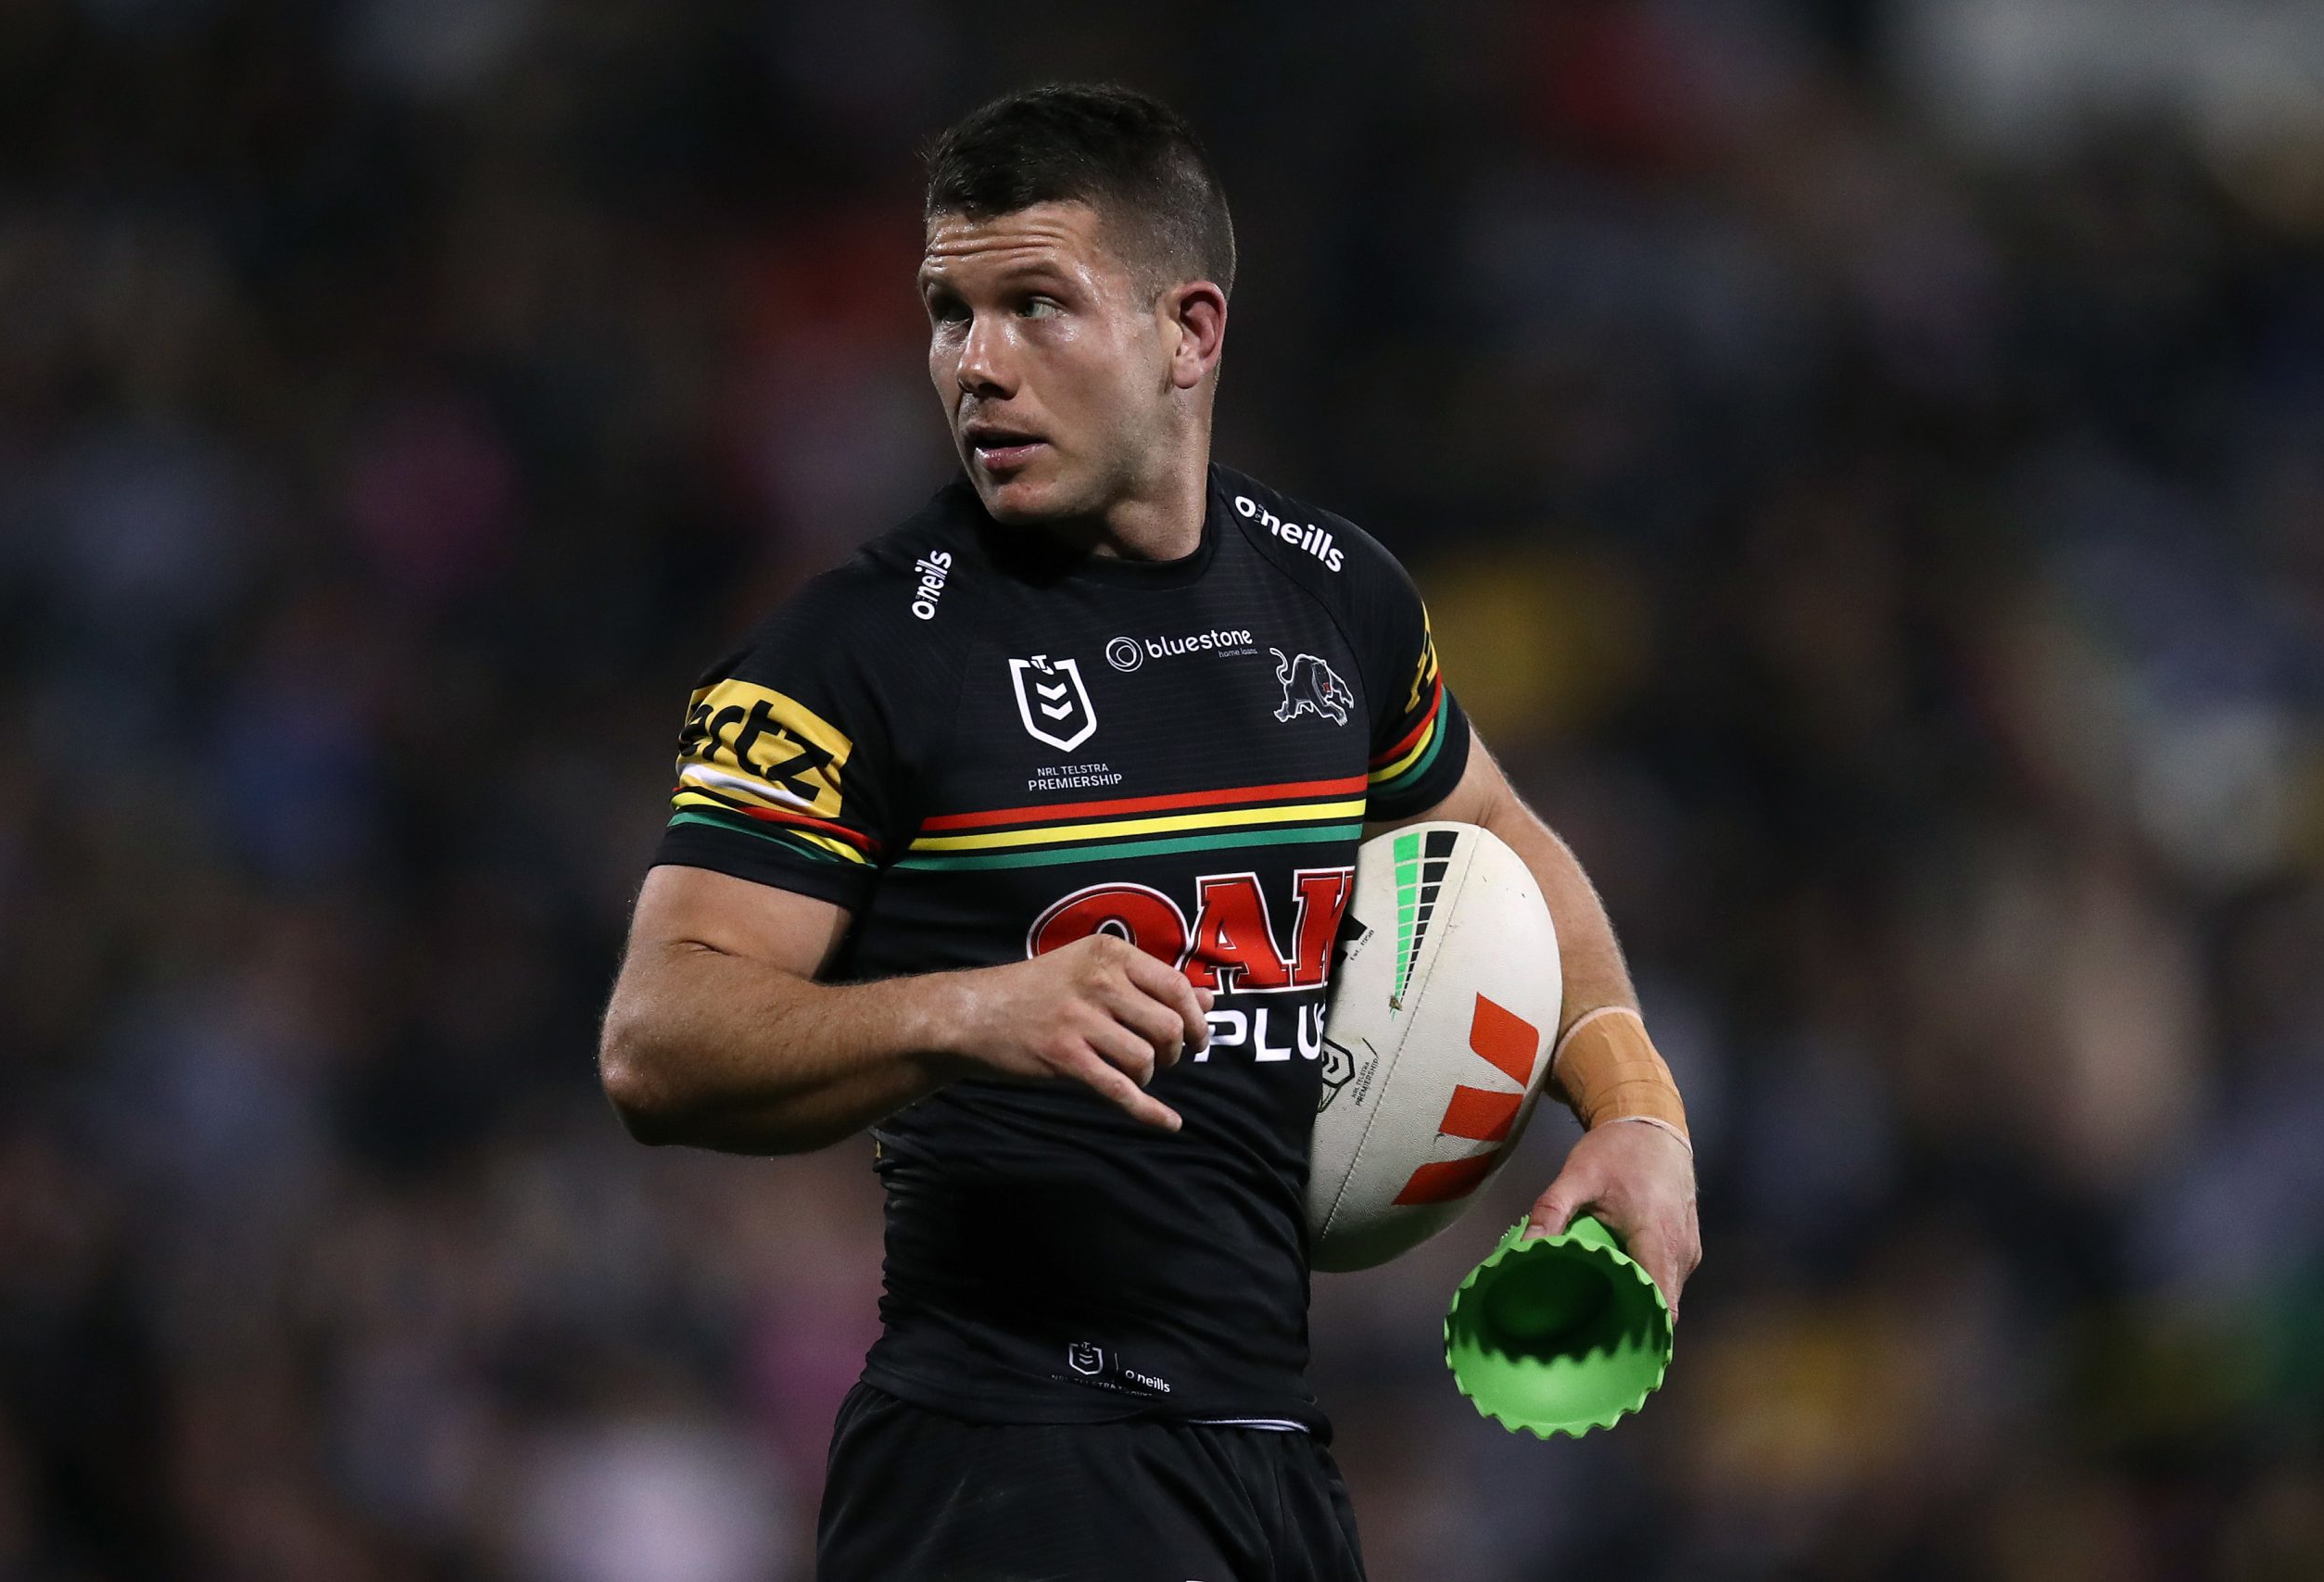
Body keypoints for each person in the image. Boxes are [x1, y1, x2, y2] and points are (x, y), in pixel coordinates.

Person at [599, 82, 1699, 1581]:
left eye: (1034, 305)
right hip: (1003, 1460)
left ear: (1190, 331)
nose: (975, 364)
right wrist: (969, 1009)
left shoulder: (1338, 598)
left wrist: (1634, 1105)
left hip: (1263, 1447)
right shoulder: (850, 654)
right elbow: (655, 1040)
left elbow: (1498, 839)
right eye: (946, 311)